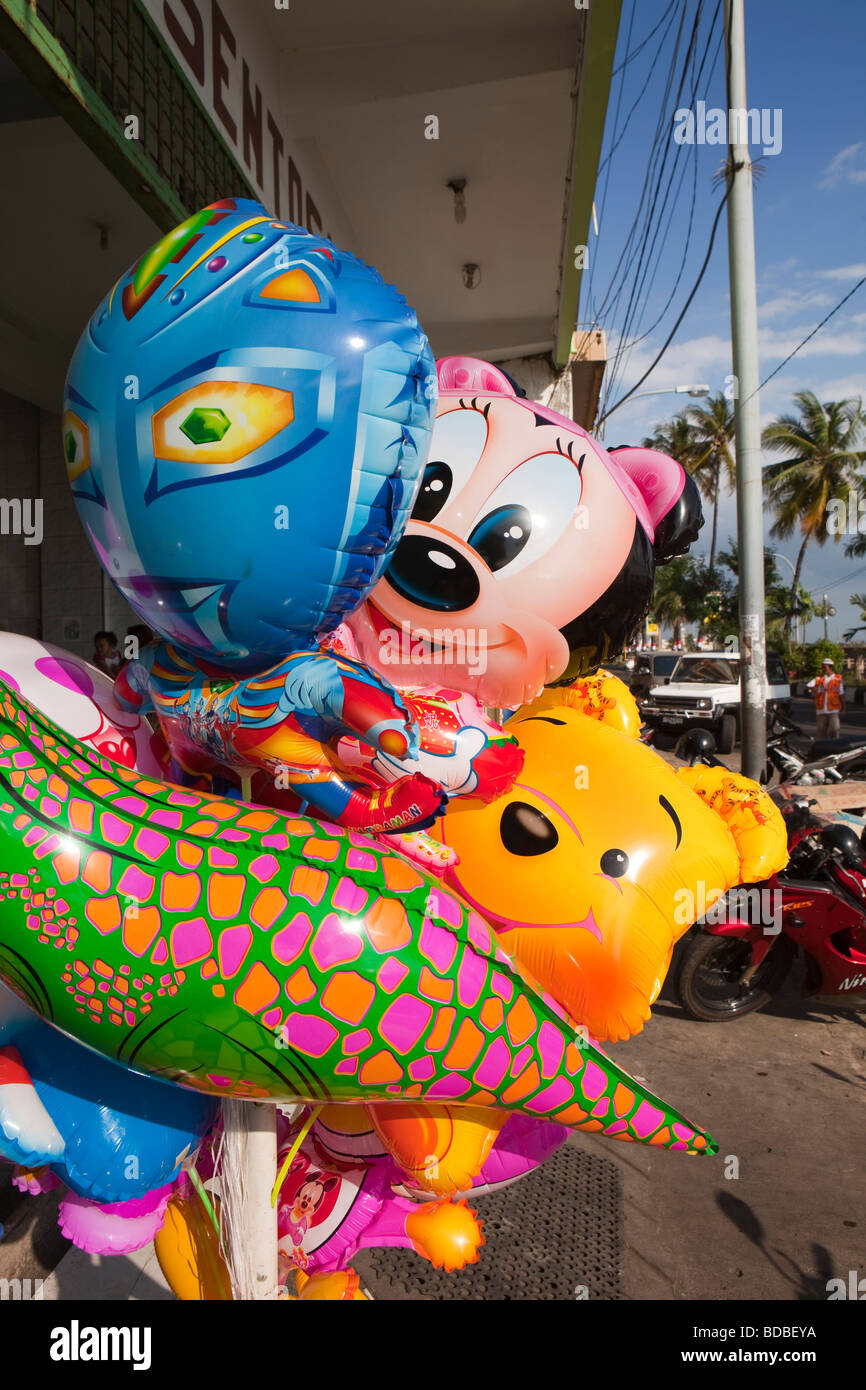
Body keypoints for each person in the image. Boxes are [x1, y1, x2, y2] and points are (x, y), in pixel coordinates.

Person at [807, 658, 845, 740]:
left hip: (833, 710)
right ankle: (821, 750)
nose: (823, 669)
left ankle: (835, 748)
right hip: (821, 710)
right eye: (822, 667)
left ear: (830, 667)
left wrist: (843, 708)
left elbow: (841, 695)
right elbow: (809, 685)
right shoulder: (818, 678)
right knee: (821, 732)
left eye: (825, 667)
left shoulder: (838, 679)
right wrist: (814, 690)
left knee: (834, 731)